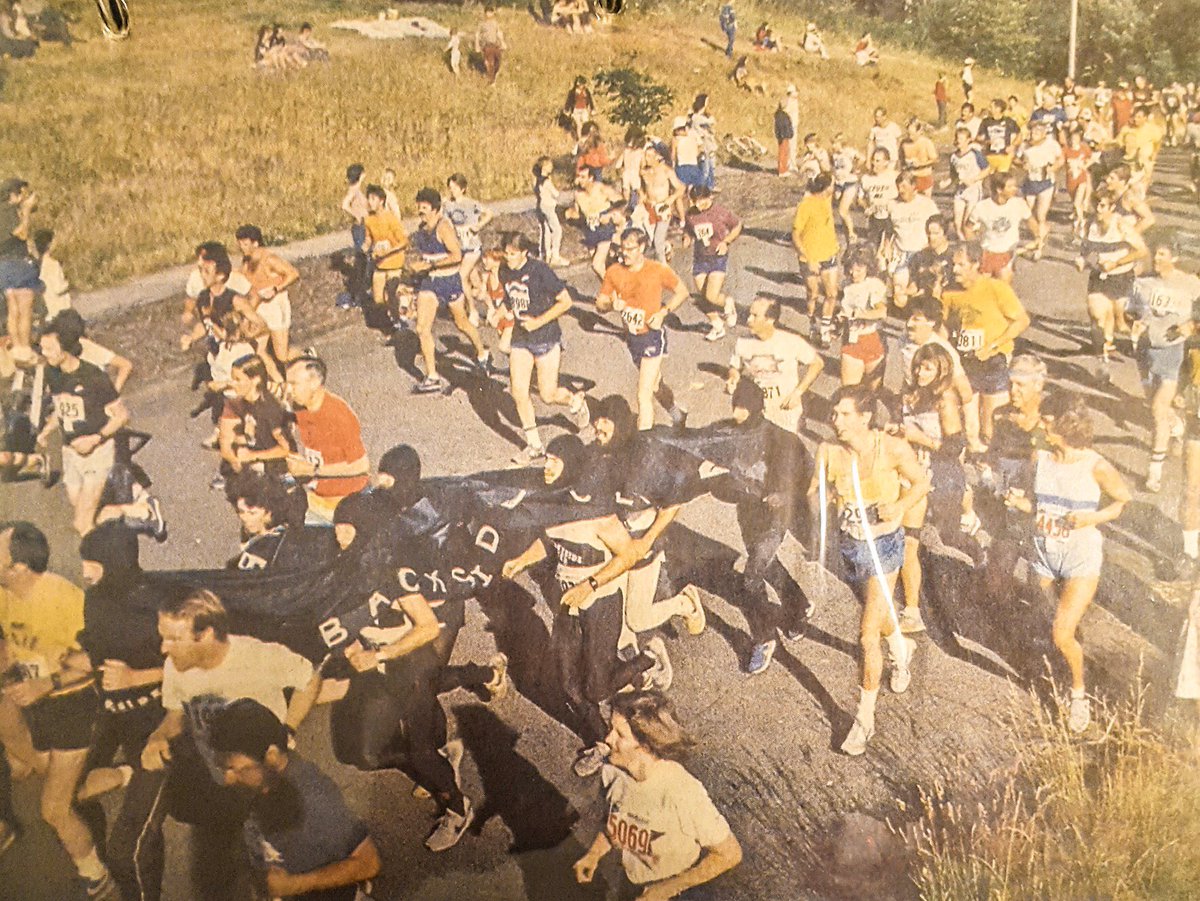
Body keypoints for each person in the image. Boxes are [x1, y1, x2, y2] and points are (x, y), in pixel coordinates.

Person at [108, 589, 323, 901]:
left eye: (172, 638)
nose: (163, 648)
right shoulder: (176, 665)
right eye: (162, 637)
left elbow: (311, 677)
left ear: (205, 634)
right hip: (217, 776)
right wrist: (158, 736)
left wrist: (288, 729)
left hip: (262, 779)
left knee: (282, 864)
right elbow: (175, 713)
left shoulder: (258, 656)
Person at [502, 436, 667, 778]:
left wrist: (589, 584)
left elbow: (630, 554)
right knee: (568, 684)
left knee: (598, 687)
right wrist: (520, 560)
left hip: (601, 602)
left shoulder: (598, 514)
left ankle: (647, 656)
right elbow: (548, 542)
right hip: (568, 604)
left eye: (554, 460)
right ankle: (602, 742)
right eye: (547, 458)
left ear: (572, 466)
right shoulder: (554, 504)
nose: (546, 466)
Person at [809, 386, 929, 757]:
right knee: (877, 619)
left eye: (845, 415)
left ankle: (864, 721)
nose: (836, 421)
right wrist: (823, 506)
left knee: (865, 636)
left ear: (864, 417)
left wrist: (901, 506)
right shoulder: (828, 452)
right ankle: (901, 648)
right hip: (849, 546)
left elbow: (922, 482)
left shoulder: (890, 448)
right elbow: (814, 492)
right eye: (834, 414)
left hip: (885, 546)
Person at [1002, 392, 1130, 732]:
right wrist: (1019, 502)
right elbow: (1036, 505)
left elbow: (1122, 500)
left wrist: (1092, 518)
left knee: (1060, 633)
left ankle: (1078, 696)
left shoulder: (1096, 466)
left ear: (1064, 425)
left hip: (1080, 558)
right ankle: (1063, 659)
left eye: (1047, 420)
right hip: (1043, 554)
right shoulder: (1040, 458)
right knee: (1046, 623)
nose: (1041, 424)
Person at [0, 522, 114, 898]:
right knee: (57, 780)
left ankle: (97, 878)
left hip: (72, 705)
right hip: (36, 703)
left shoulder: (64, 598)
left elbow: (94, 660)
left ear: (18, 567)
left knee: (55, 808)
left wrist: (44, 684)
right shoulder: (4, 595)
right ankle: (121, 775)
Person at [573, 691, 742, 897]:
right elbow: (614, 822)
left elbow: (730, 854)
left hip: (679, 887)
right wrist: (594, 854)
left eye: (620, 734)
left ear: (646, 745)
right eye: (610, 729)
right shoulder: (612, 772)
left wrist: (665, 890)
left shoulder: (681, 791)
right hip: (632, 879)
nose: (608, 739)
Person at [209, 699, 380, 901]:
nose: (228, 780)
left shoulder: (314, 798)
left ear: (271, 756)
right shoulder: (255, 786)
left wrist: (293, 885)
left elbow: (368, 862)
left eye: (237, 769)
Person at [890, 344, 967, 634]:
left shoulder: (945, 400)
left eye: (928, 368)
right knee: (909, 540)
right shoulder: (908, 395)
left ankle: (975, 552)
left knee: (949, 536)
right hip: (911, 474)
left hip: (941, 473)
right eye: (919, 367)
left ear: (941, 370)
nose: (921, 373)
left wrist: (919, 438)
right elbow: (902, 429)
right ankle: (912, 609)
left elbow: (955, 446)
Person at [499, 232, 591, 465]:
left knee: (548, 395)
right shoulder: (504, 270)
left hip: (546, 336)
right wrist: (504, 313)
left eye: (512, 254)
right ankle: (534, 445)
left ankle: (574, 401)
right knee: (518, 391)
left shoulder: (540, 271)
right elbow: (511, 300)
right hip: (521, 338)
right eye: (506, 253)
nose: (508, 257)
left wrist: (538, 322)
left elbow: (566, 302)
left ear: (524, 253)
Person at [35, 313, 130, 535]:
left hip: (97, 451)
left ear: (65, 348)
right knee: (88, 513)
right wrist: (47, 431)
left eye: (49, 348)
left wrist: (95, 438)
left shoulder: (93, 377)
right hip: (70, 454)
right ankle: (141, 512)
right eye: (42, 348)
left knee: (82, 524)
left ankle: (98, 568)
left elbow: (122, 416)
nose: (44, 353)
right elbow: (62, 408)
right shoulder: (51, 372)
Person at [595, 228, 691, 431]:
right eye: (622, 249)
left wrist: (663, 312)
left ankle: (643, 445)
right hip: (632, 338)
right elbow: (600, 304)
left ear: (642, 247)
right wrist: (612, 305)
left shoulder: (656, 269)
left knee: (643, 394)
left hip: (652, 335)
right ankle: (677, 413)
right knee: (655, 385)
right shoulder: (614, 271)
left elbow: (682, 292)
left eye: (630, 249)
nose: (625, 254)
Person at [1127, 238, 1200, 493]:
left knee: (1158, 407)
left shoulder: (1191, 284)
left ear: (1175, 257)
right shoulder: (1142, 284)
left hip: (1174, 351)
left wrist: (1190, 326)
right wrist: (1135, 323)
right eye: (1155, 255)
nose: (1156, 259)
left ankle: (1153, 472)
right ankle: (1176, 427)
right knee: (1154, 404)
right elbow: (1132, 312)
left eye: (1162, 254)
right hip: (1146, 350)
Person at [942, 242, 1031, 446]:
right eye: (953, 264)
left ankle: (994, 468)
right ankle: (981, 472)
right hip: (966, 363)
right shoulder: (949, 293)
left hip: (994, 361)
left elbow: (1022, 320)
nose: (954, 270)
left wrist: (994, 345)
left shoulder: (995, 288)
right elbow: (944, 327)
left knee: (991, 429)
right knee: (970, 429)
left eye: (960, 265)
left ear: (975, 264)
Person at [407, 187, 494, 393]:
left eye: (425, 207)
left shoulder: (443, 227)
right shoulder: (422, 229)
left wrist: (429, 266)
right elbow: (428, 256)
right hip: (430, 283)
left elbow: (456, 256)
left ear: (436, 209)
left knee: (461, 323)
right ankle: (432, 376)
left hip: (449, 281)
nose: (421, 211)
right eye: (419, 207)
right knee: (422, 328)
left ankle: (482, 354)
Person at [284, 354, 369, 522]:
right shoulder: (300, 407)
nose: (288, 389)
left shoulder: (337, 415)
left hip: (346, 502)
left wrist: (312, 470)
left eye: (293, 384)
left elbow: (361, 465)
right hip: (317, 498)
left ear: (314, 383)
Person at [1076, 189, 1147, 382]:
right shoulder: (1090, 224)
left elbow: (1142, 251)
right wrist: (1081, 258)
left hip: (1121, 278)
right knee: (1098, 317)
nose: (1098, 209)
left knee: (1119, 323)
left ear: (1112, 207)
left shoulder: (1122, 225)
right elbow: (1086, 245)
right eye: (1096, 204)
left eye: (1103, 206)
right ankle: (1103, 364)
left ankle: (1136, 330)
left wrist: (1117, 263)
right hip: (1099, 277)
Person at [727, 296, 822, 434]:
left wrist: (798, 392)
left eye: (755, 316)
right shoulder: (742, 342)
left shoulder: (790, 341)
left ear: (770, 320)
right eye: (749, 314)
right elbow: (735, 367)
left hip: (784, 410)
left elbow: (817, 363)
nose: (748, 320)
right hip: (756, 410)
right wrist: (733, 378)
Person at [217, 353, 292, 486]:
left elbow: (285, 449)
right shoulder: (242, 403)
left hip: (276, 469)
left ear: (255, 380)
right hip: (257, 463)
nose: (232, 384)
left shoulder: (270, 409)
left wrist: (252, 456)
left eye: (238, 379)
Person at [236, 224, 299, 367]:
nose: (241, 247)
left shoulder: (269, 259)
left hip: (276, 305)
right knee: (259, 351)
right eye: (239, 243)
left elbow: (293, 274)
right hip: (259, 305)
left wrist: (276, 289)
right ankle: (276, 382)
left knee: (282, 356)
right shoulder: (246, 261)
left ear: (256, 243)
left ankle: (306, 357)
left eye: (245, 244)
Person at [683, 185, 740, 342]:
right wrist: (687, 238)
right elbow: (688, 230)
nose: (699, 206)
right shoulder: (691, 214)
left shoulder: (720, 212)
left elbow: (737, 225)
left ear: (710, 198)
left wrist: (726, 242)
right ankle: (717, 325)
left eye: (702, 202)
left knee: (711, 296)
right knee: (703, 298)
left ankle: (728, 302)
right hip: (700, 258)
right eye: (696, 202)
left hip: (717, 256)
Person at [791, 172, 840, 347]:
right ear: (827, 187)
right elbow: (795, 235)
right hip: (810, 259)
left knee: (832, 294)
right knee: (813, 294)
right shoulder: (806, 205)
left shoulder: (827, 201)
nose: (834, 188)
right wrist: (808, 257)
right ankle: (812, 325)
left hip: (829, 255)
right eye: (833, 185)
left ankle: (825, 330)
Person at [964, 172, 1037, 283]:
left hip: (1008, 253)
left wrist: (1038, 237)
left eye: (1015, 186)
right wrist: (974, 248)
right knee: (984, 290)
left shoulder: (1019, 204)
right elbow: (968, 228)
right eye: (1010, 186)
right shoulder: (982, 207)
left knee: (1003, 289)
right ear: (999, 189)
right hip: (987, 253)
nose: (1015, 189)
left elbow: (1031, 221)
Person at [444, 173, 494, 325]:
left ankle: (473, 311)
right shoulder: (448, 205)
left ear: (463, 189)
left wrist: (478, 225)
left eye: (455, 188)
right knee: (476, 284)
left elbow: (489, 213)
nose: (452, 191)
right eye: (450, 187)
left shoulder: (470, 203)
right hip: (459, 247)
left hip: (472, 246)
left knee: (461, 277)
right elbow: (445, 222)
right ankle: (491, 306)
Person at [0, 177, 40, 361]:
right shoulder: (8, 212)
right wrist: (26, 212)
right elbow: (21, 233)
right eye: (22, 192)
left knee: (13, 308)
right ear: (13, 194)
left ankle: (17, 348)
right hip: (18, 263)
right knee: (25, 307)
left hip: (4, 265)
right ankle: (24, 348)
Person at [837, 248, 888, 388]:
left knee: (872, 393)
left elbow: (882, 312)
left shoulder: (874, 285)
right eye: (850, 269)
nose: (853, 273)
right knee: (849, 391)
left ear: (868, 267)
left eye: (859, 269)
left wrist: (858, 314)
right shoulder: (846, 285)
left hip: (872, 338)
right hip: (851, 340)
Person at [886, 171, 939, 304]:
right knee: (900, 297)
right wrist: (886, 248)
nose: (900, 190)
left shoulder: (927, 204)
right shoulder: (892, 205)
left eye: (904, 186)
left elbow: (939, 227)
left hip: (922, 252)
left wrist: (933, 247)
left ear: (914, 186)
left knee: (922, 293)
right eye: (898, 187)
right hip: (902, 253)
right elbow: (888, 230)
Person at [564, 166, 624, 280]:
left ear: (591, 178)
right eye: (578, 177)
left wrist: (609, 214)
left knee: (597, 265)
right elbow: (577, 213)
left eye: (583, 177)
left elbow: (621, 201)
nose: (579, 180)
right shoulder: (578, 194)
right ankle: (612, 292)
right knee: (601, 267)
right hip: (591, 231)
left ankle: (612, 294)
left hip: (605, 228)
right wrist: (568, 214)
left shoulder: (600, 188)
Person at [1016, 120, 1063, 260]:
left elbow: (1061, 159)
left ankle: (1039, 247)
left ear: (1044, 134)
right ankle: (1040, 233)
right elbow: (1016, 159)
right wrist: (1022, 165)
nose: (1033, 135)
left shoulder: (1051, 144)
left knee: (1040, 215)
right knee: (1026, 214)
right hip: (1030, 182)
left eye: (1037, 132)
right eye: (1032, 132)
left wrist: (1052, 168)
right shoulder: (1025, 145)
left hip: (1046, 183)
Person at [944, 126, 991, 240]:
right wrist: (946, 183)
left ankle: (971, 245)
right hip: (960, 192)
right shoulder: (954, 156)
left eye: (961, 138)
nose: (958, 140)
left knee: (967, 224)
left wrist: (973, 179)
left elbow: (987, 169)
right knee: (956, 224)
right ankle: (964, 242)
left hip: (973, 191)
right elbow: (953, 175)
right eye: (957, 137)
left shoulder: (975, 154)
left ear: (969, 140)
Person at [339, 164, 369, 310]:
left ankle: (360, 294)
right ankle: (358, 295)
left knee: (362, 259)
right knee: (362, 258)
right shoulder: (354, 190)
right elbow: (344, 205)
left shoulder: (356, 189)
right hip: (360, 227)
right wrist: (356, 215)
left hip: (362, 226)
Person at [830, 133, 862, 243]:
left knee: (842, 211)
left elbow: (862, 158)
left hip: (850, 183)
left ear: (841, 143)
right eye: (832, 143)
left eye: (835, 143)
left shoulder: (849, 152)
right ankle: (847, 234)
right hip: (839, 184)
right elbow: (833, 168)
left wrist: (855, 168)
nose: (833, 146)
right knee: (841, 213)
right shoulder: (834, 155)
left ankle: (852, 234)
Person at [977, 98, 1022, 174]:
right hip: (990, 154)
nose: (989, 109)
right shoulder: (986, 122)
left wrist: (1013, 146)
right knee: (990, 179)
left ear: (998, 109)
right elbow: (978, 137)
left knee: (1001, 178)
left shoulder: (1009, 121)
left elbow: (1019, 135)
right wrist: (986, 141)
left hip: (1004, 155)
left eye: (991, 107)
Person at [33, 227, 69, 318]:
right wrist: (69, 285)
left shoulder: (35, 265)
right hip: (58, 312)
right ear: (50, 244)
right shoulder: (53, 264)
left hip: (45, 311)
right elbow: (58, 288)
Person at [899, 117, 938, 196]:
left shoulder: (926, 142)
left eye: (912, 134)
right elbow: (901, 160)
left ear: (919, 132)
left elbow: (935, 160)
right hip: (910, 176)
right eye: (908, 134)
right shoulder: (904, 143)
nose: (910, 137)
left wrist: (921, 164)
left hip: (924, 176)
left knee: (925, 204)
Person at [475, 5, 506, 85]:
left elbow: (499, 32)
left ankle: (494, 76)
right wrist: (477, 45)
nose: (489, 14)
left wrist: (503, 42)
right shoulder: (481, 23)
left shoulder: (495, 23)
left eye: (491, 12)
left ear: (493, 13)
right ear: (485, 13)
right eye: (488, 12)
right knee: (490, 63)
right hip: (486, 45)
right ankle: (491, 81)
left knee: (498, 62)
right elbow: (477, 35)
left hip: (495, 45)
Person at [564, 75, 595, 142]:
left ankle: (586, 138)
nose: (582, 86)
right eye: (580, 84)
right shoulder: (572, 92)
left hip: (584, 110)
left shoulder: (586, 91)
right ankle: (580, 140)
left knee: (586, 124)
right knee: (579, 125)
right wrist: (566, 110)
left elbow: (590, 100)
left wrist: (592, 109)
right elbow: (569, 101)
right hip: (576, 110)